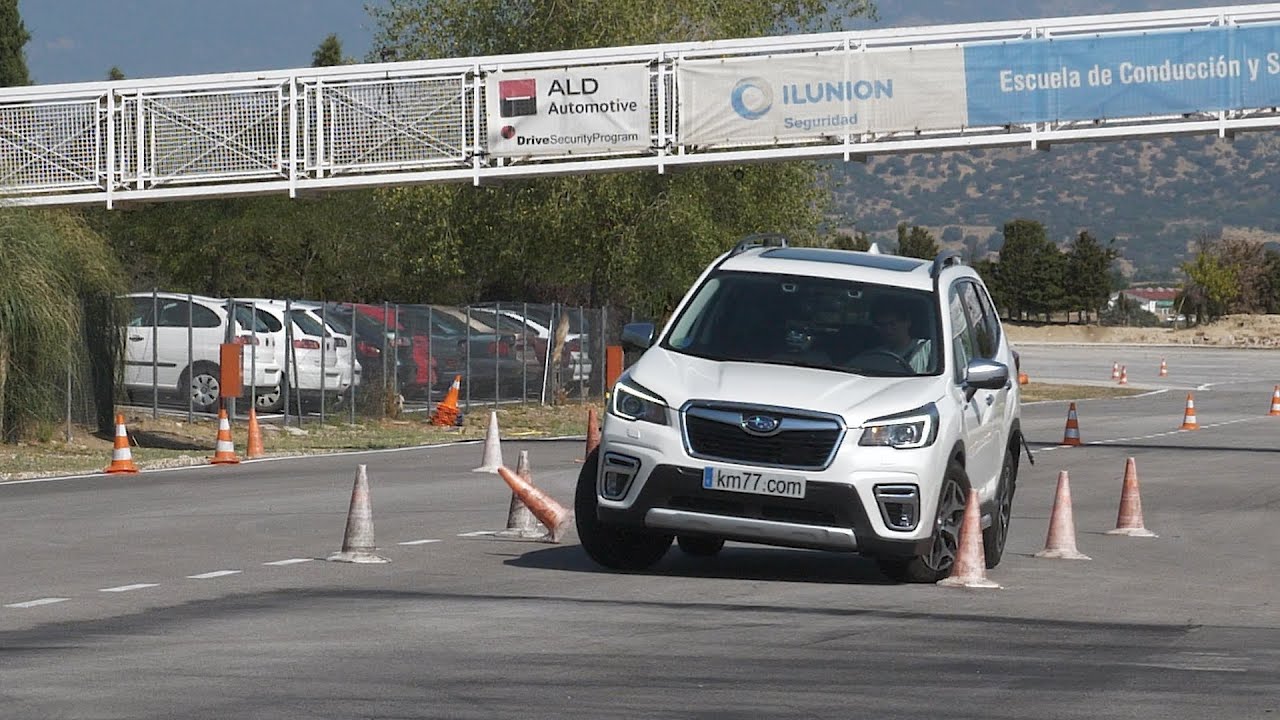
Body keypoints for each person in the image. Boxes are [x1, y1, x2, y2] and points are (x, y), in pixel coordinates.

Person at [867, 299, 932, 373]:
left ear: (907, 322)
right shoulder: (874, 356)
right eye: (882, 325)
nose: (888, 330)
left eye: (892, 324)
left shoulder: (928, 348)